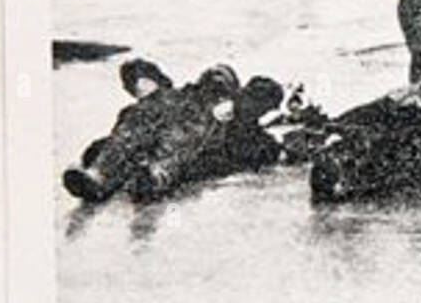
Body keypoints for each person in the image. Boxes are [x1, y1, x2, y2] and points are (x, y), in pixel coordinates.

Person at [63, 60, 283, 203]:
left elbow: (265, 95)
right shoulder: (174, 96)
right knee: (133, 129)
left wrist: (236, 105)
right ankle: (100, 175)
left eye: (222, 79)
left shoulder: (232, 115)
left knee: (183, 140)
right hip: (158, 133)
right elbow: (130, 120)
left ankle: (151, 176)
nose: (214, 79)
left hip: (188, 143)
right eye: (211, 75)